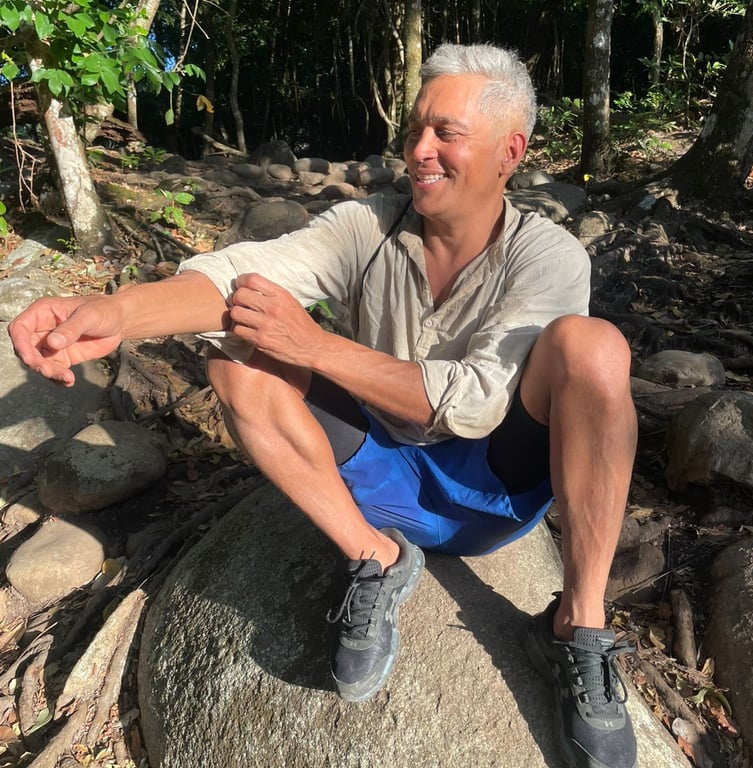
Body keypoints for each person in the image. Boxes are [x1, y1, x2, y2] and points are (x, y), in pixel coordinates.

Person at [9, 43, 638, 768]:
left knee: (595, 348)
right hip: (376, 478)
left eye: (446, 133)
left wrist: (316, 347)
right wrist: (114, 313)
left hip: (492, 485)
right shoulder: (366, 227)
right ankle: (375, 558)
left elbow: (475, 403)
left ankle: (576, 625)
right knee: (236, 359)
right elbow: (240, 281)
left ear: (510, 152)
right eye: (415, 129)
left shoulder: (547, 256)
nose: (419, 151)